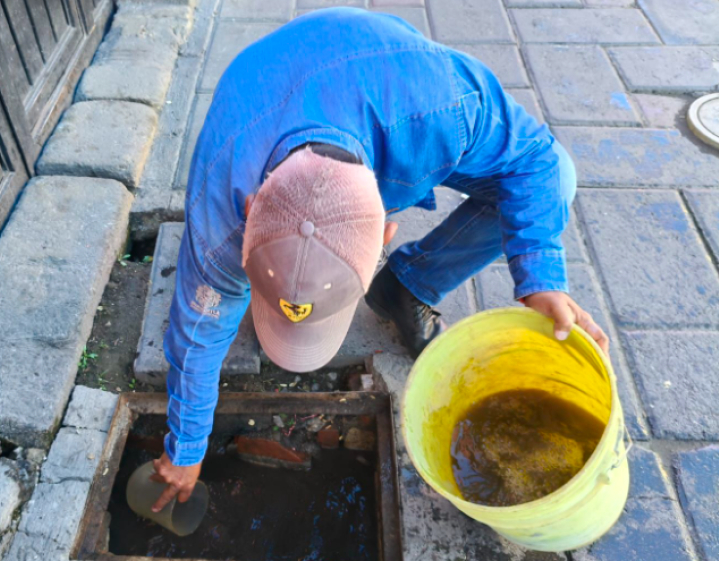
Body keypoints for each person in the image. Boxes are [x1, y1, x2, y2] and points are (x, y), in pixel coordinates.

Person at [147, 8, 610, 512]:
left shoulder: (440, 109)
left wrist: (539, 276)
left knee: (560, 181)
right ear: (250, 209)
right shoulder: (219, 213)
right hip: (264, 86)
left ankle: (408, 283)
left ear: (387, 228)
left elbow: (538, 162)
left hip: (385, 89)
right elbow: (197, 332)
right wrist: (186, 446)